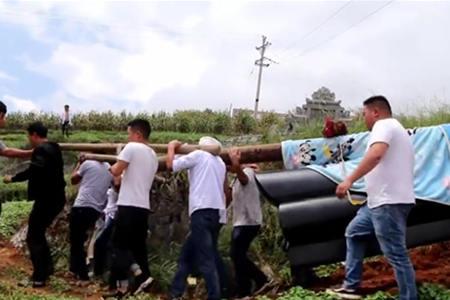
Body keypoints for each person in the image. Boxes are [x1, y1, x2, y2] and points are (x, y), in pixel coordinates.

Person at [327, 96, 417, 300]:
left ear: (376, 112)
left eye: (364, 113)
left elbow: (376, 154)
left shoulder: (383, 125)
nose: (363, 118)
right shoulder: (397, 129)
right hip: (379, 202)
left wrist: (349, 180)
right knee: (355, 232)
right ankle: (351, 286)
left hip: (388, 202)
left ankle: (409, 297)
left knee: (396, 253)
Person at [167, 136, 231, 300]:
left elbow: (171, 165)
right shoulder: (220, 163)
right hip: (217, 213)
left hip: (201, 211)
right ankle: (176, 292)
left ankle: (214, 296)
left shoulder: (198, 156)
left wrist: (172, 146)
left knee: (206, 259)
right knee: (192, 254)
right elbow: (226, 190)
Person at [4, 122, 66, 288]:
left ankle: (39, 277)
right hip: (58, 198)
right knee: (38, 234)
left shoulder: (41, 150)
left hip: (47, 199)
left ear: (34, 135)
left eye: (29, 136)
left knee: (33, 236)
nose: (29, 140)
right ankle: (47, 269)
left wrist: (13, 178)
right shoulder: (55, 148)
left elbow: (33, 171)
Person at [106, 119, 158, 297]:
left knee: (118, 245)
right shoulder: (153, 155)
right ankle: (132, 286)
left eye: (129, 134)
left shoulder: (132, 147)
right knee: (137, 248)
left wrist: (111, 167)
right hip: (143, 207)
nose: (128, 137)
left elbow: (116, 170)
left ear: (138, 135)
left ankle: (140, 276)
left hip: (128, 205)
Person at [228, 148, 269, 298]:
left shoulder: (249, 172)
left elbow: (244, 179)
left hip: (249, 221)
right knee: (238, 256)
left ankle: (260, 280)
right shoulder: (236, 177)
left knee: (236, 255)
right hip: (241, 222)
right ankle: (245, 288)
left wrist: (235, 162)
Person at [69, 156, 112, 281]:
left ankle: (82, 275)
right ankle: (75, 270)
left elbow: (73, 180)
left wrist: (79, 164)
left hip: (82, 205)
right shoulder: (109, 167)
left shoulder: (87, 163)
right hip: (96, 209)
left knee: (76, 241)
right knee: (82, 239)